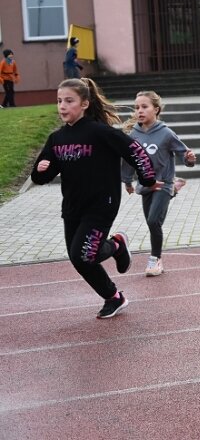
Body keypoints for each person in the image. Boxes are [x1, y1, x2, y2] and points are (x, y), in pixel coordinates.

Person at [30, 78, 159, 318]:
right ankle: (114, 296)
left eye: (69, 101)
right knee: (79, 259)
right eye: (59, 101)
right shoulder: (57, 139)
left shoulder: (101, 133)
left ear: (85, 103)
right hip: (72, 207)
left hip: (102, 204)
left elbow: (135, 151)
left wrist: (148, 179)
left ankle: (116, 246)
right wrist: (40, 170)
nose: (62, 106)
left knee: (83, 254)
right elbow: (41, 177)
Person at [121, 91, 197, 276]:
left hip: (163, 182)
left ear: (156, 109)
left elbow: (184, 154)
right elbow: (130, 159)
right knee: (150, 222)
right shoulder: (133, 135)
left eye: (144, 107)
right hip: (146, 185)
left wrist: (189, 159)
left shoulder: (166, 133)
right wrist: (127, 181)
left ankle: (155, 259)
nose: (140, 110)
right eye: (137, 107)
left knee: (154, 220)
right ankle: (174, 190)